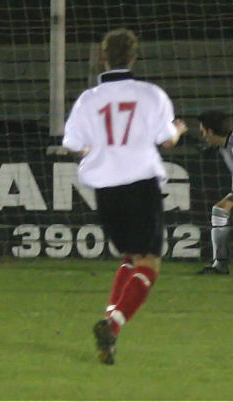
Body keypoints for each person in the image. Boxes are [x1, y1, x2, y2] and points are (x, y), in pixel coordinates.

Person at [62, 28, 188, 365]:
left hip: (106, 187)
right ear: (134, 58)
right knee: (150, 261)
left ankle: (110, 334)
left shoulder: (88, 99)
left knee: (130, 257)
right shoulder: (150, 95)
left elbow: (73, 145)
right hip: (141, 182)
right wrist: (179, 129)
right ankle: (112, 323)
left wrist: (96, 150)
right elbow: (167, 141)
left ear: (103, 58)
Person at [196, 110, 233, 275]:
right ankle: (219, 264)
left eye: (203, 132)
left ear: (210, 131)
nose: (203, 136)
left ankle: (220, 264)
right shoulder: (225, 144)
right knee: (220, 210)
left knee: (222, 209)